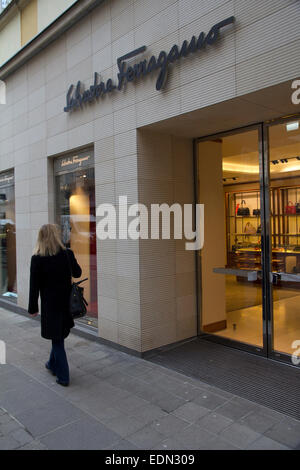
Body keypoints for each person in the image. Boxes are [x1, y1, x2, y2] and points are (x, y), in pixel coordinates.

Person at [28, 224, 82, 386]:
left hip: (50, 306)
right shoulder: (66, 254)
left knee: (57, 340)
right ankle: (52, 364)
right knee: (58, 336)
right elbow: (77, 273)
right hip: (65, 304)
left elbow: (34, 286)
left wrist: (33, 308)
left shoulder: (37, 258)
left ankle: (63, 377)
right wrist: (71, 257)